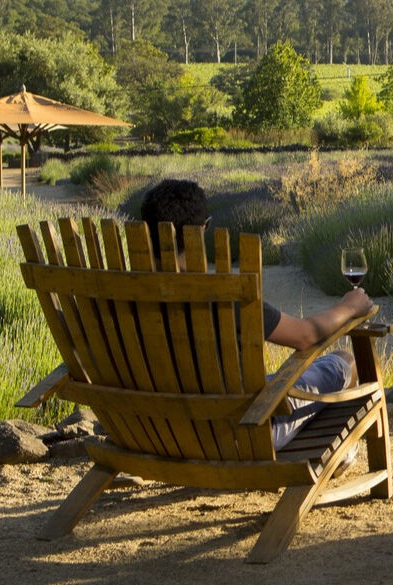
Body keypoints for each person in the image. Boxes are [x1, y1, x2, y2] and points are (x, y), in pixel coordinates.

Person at [137, 179, 375, 449]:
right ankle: (343, 455)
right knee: (343, 363)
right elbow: (305, 335)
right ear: (201, 229)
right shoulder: (224, 296)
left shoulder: (118, 296)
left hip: (159, 433)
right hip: (241, 434)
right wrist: (349, 307)